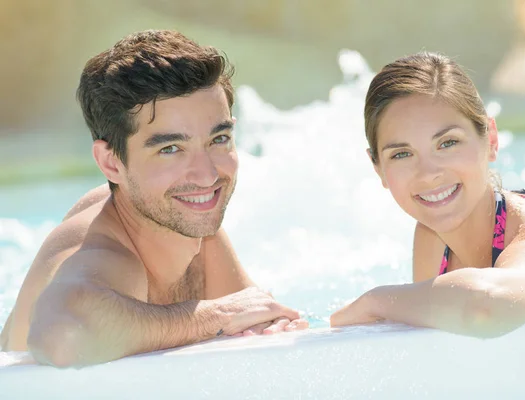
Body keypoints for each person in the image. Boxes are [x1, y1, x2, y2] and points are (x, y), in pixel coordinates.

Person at [0, 30, 307, 367]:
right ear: (111, 162)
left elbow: (260, 323)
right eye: (170, 149)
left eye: (218, 139)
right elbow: (64, 336)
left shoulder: (189, 220)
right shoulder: (104, 255)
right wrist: (213, 316)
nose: (206, 176)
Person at [330, 52, 525, 337]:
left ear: (491, 141)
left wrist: (376, 301)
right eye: (402, 154)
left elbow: (485, 309)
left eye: (447, 143)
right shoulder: (432, 237)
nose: (428, 174)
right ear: (379, 169)